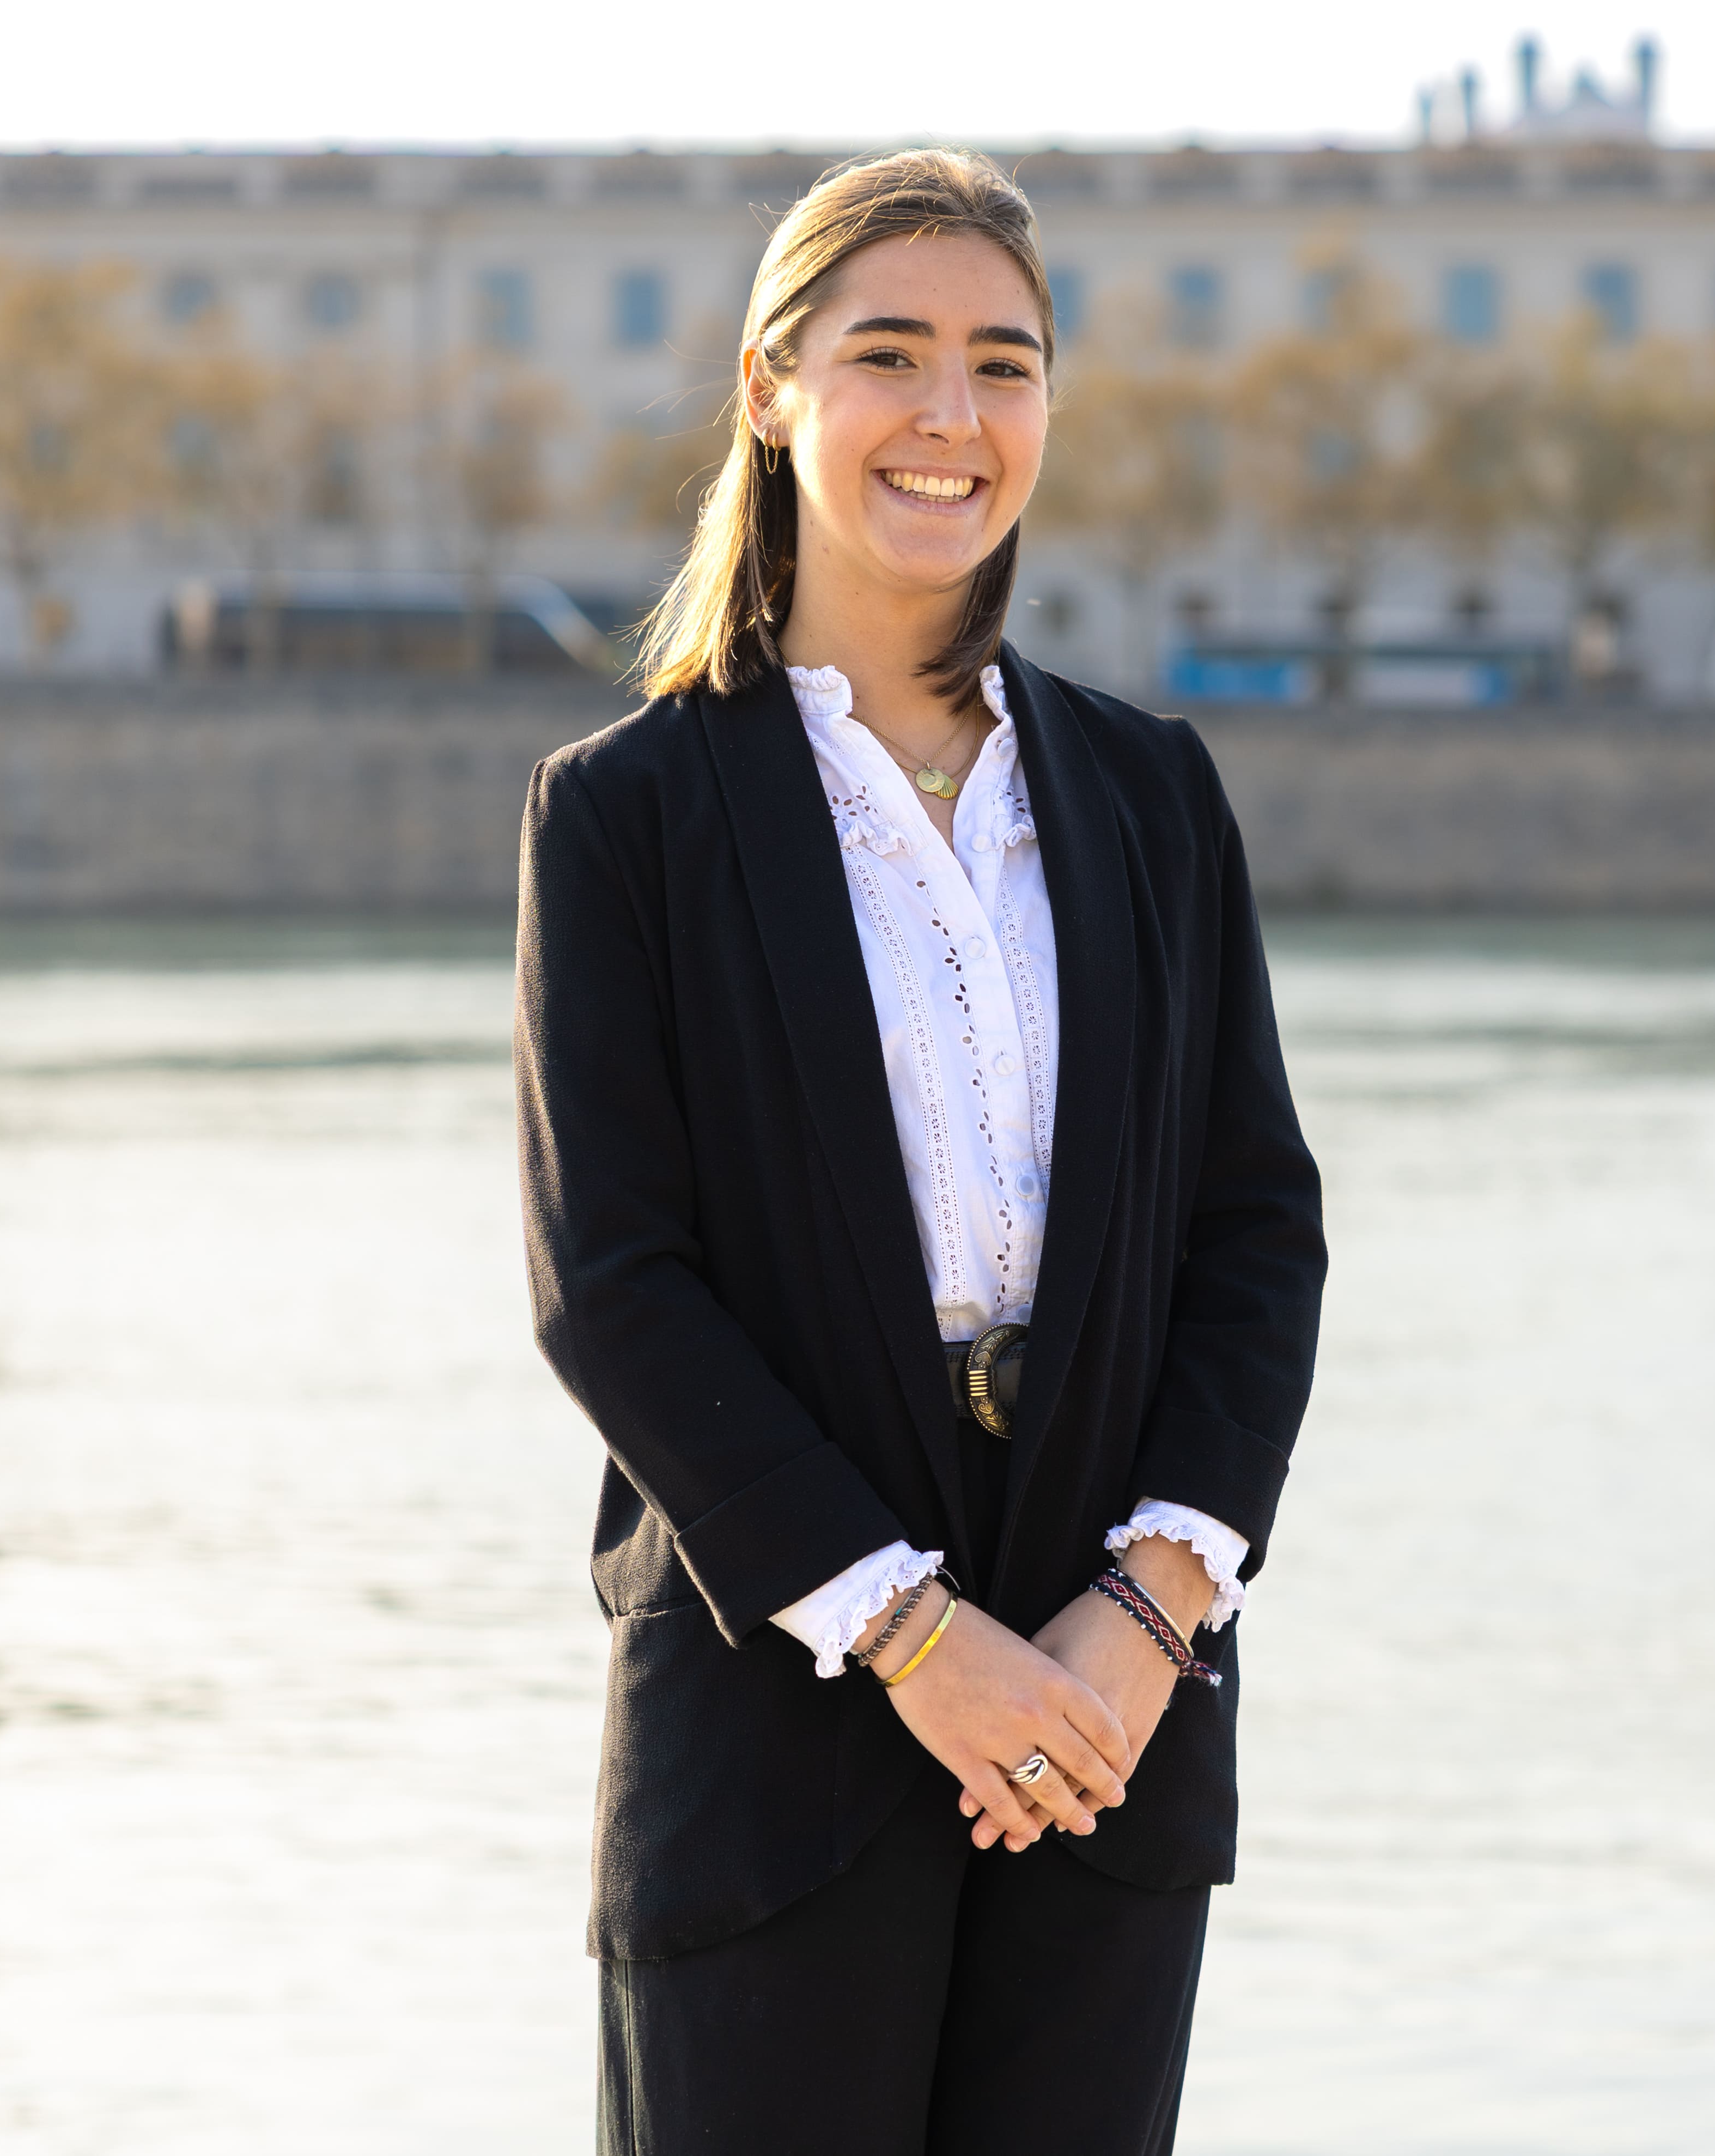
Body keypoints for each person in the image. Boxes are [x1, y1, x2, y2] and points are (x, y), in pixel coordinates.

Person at [513, 147, 1324, 2155]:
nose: (951, 414)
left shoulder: (1152, 793)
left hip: (1107, 1722)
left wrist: (1151, 1612)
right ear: (772, 390)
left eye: (1004, 364)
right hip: (775, 1717)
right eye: (890, 354)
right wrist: (908, 1632)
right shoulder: (624, 815)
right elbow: (613, 1287)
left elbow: (1255, 1233)